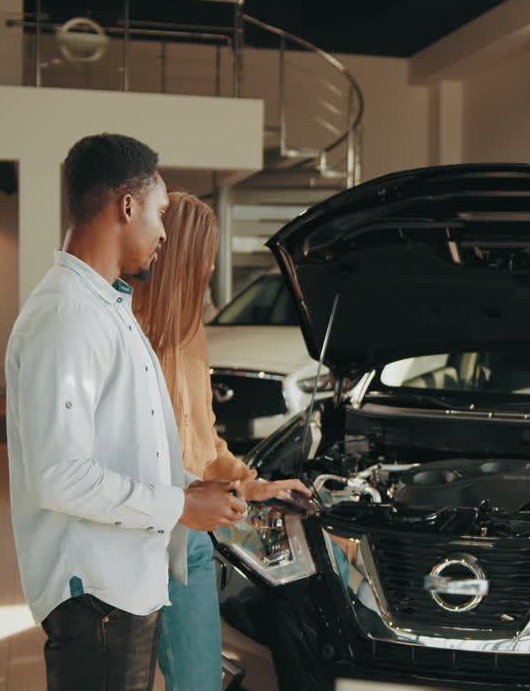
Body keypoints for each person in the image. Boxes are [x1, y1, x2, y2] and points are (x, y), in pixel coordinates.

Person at [5, 133, 249, 691]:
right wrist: (180, 504)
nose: (164, 231)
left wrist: (194, 488)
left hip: (123, 583)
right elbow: (59, 475)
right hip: (95, 596)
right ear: (127, 206)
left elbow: (134, 448)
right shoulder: (69, 316)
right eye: (160, 213)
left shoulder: (107, 306)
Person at [131, 191, 310, 690]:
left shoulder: (190, 332)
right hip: (138, 537)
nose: (210, 270)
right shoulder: (124, 332)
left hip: (188, 538)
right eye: (205, 258)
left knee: (200, 678)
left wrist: (256, 486)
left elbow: (204, 442)